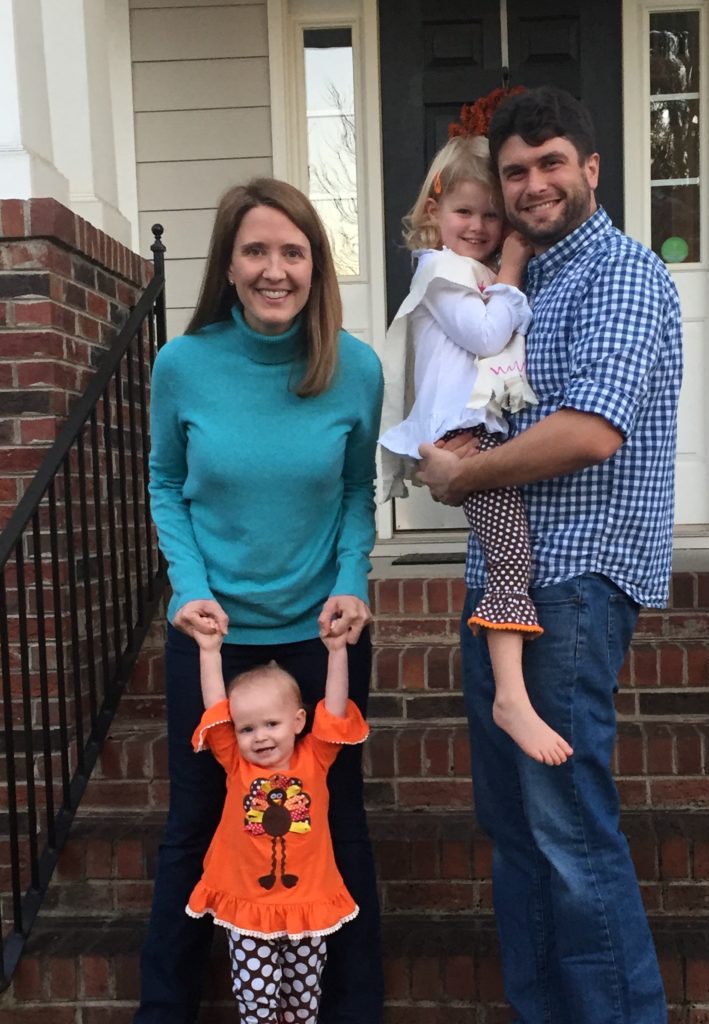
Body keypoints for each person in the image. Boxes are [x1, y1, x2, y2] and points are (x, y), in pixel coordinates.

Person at [416, 86, 683, 1024]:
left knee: (569, 834)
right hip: (503, 584)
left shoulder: (622, 273)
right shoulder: (515, 283)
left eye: (551, 163)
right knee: (519, 836)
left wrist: (463, 478)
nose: (533, 184)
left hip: (573, 583)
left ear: (591, 168)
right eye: (515, 170)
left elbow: (590, 432)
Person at [136, 178, 384, 1024]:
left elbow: (356, 490)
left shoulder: (354, 367)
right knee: (196, 820)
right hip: (215, 634)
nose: (274, 270)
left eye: (292, 252)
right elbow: (165, 481)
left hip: (321, 633)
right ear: (229, 264)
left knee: (335, 822)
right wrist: (189, 587)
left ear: (316, 265)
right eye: (255, 251)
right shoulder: (183, 365)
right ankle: (164, 1009)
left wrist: (351, 579)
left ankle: (354, 1010)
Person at [378, 135, 572, 766]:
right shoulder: (440, 271)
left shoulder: (469, 274)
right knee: (511, 557)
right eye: (464, 211)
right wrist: (512, 267)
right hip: (463, 434)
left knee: (505, 550)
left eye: (493, 215)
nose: (480, 226)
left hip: (477, 432)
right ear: (433, 211)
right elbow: (487, 334)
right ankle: (511, 697)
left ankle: (511, 689)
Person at [187, 622, 368, 1024]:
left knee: (303, 1003)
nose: (260, 737)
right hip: (249, 906)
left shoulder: (315, 757)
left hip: (308, 904)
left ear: (299, 721)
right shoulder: (236, 763)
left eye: (272, 724)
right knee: (256, 1002)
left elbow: (335, 710)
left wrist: (337, 652)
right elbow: (216, 710)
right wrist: (209, 652)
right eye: (247, 728)